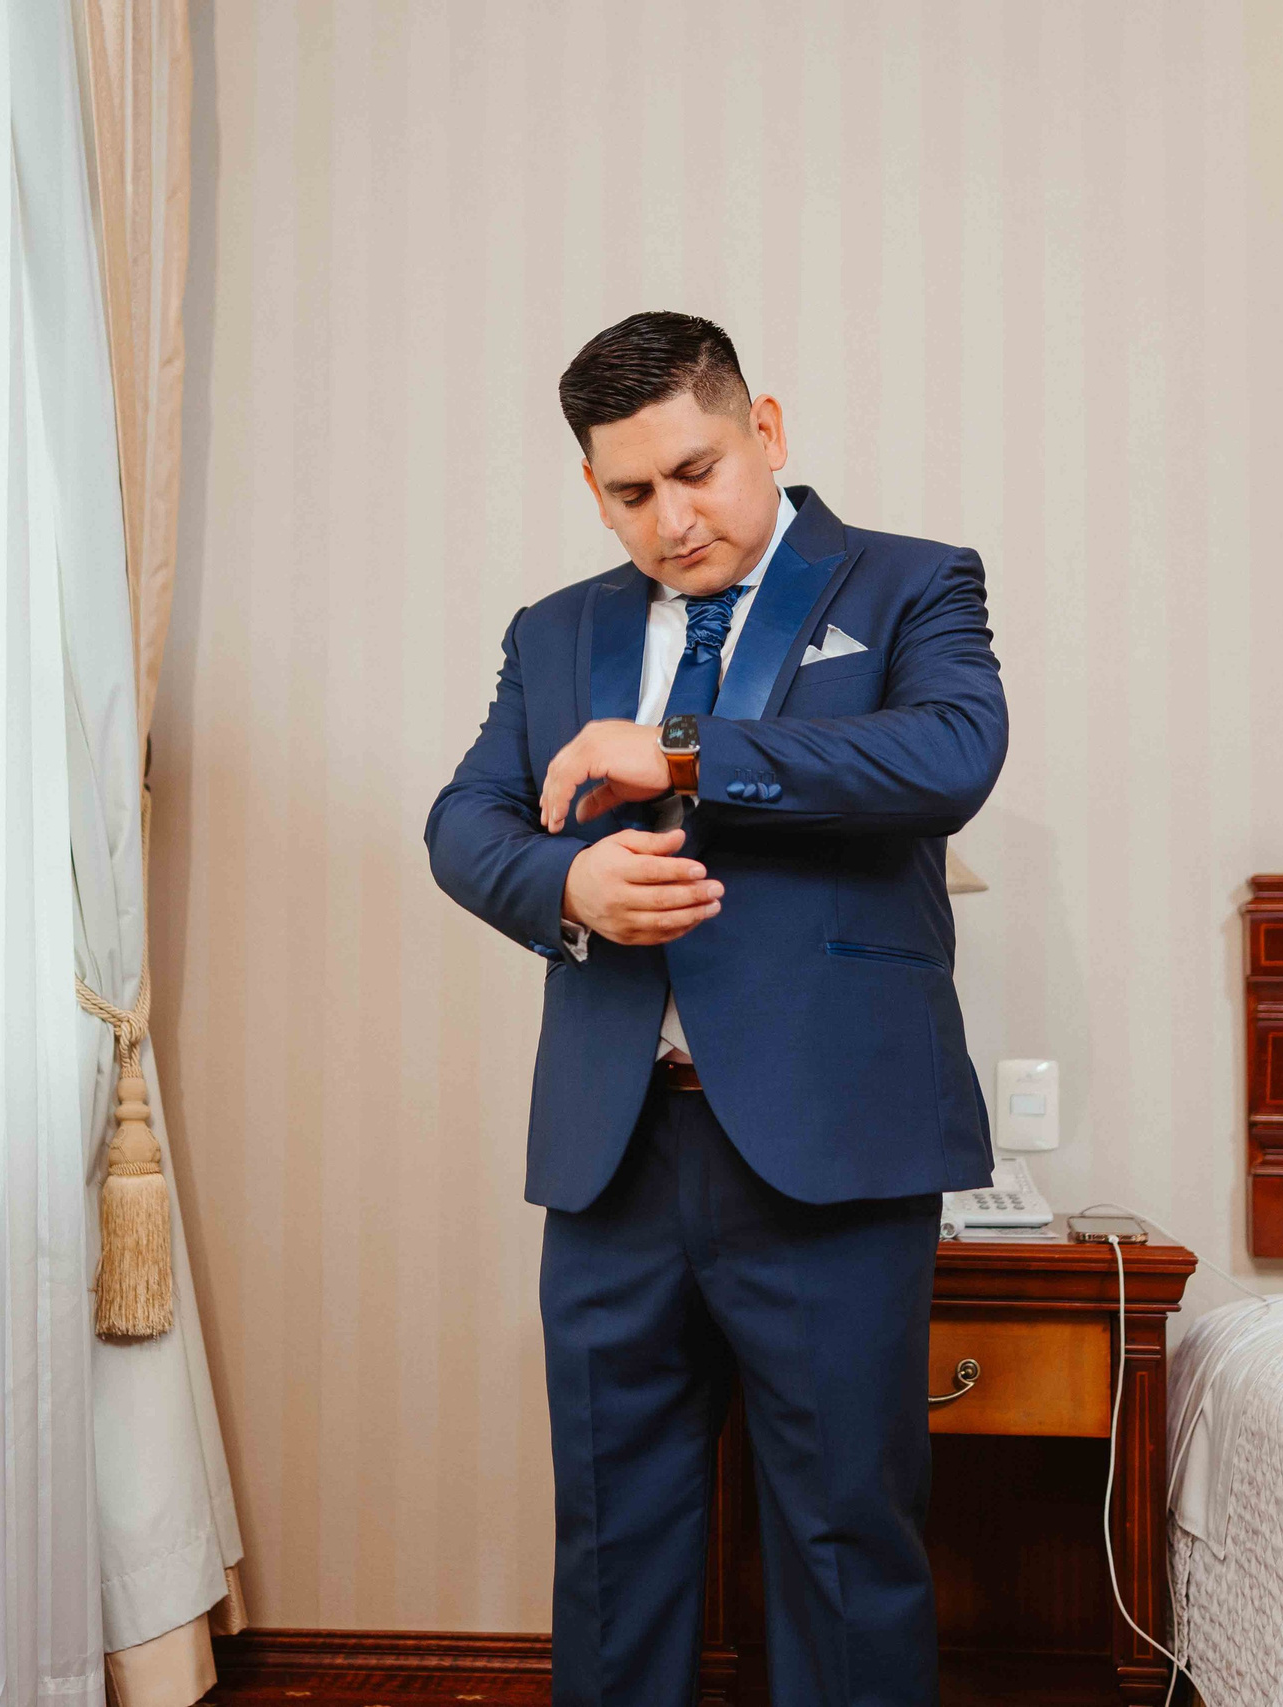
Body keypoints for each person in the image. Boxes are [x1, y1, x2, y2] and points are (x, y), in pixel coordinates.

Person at [424, 311, 1008, 1707]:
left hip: (832, 1147)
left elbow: (949, 753)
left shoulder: (912, 581)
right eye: (633, 492)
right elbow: (464, 822)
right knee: (612, 1548)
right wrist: (569, 883)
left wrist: (679, 748)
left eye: (698, 471)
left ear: (768, 430)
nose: (674, 520)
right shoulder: (554, 631)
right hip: (612, 1151)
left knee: (845, 1541)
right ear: (592, 489)